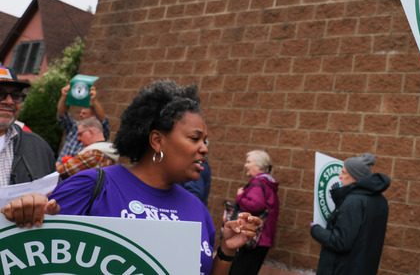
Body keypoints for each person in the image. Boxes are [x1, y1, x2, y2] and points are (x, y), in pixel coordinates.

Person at [2, 79, 261, 275]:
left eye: (206, 140)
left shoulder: (198, 210)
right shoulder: (92, 186)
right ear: (157, 140)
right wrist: (25, 213)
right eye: (195, 138)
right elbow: (32, 255)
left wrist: (226, 251)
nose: (205, 148)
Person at [310, 152, 390, 275]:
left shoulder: (353, 201)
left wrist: (316, 230)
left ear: (355, 178)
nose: (339, 176)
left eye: (344, 172)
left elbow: (341, 242)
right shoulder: (380, 201)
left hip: (342, 269)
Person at [0, 66, 55, 185]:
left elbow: (55, 195)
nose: (10, 101)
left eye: (16, 95)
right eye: (0, 93)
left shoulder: (38, 147)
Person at [228, 149, 280, 275]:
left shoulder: (258, 183)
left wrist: (240, 196)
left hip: (253, 238)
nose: (245, 165)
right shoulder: (268, 183)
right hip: (263, 239)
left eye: (248, 162)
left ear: (258, 165)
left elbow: (256, 205)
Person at [57, 83, 111, 161]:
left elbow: (103, 120)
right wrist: (64, 95)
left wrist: (94, 100)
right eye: (80, 113)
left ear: (93, 115)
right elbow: (62, 115)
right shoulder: (74, 126)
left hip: (77, 171)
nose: (80, 115)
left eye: (84, 113)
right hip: (60, 169)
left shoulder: (99, 132)